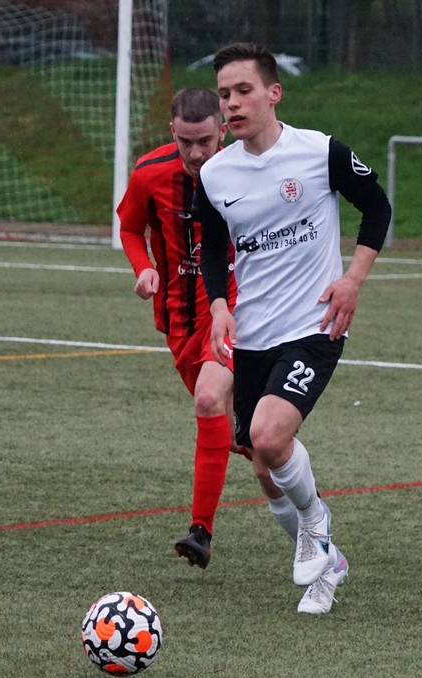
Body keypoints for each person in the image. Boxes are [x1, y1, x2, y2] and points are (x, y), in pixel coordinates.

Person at [196, 43, 392, 614]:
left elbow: (377, 207)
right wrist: (218, 305)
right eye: (224, 95)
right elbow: (213, 247)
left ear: (273, 93)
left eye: (243, 91)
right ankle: (329, 568)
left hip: (315, 323)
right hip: (253, 334)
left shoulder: (319, 152)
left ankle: (315, 523)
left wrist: (353, 279)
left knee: (268, 436)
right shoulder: (214, 173)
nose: (232, 104)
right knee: (263, 466)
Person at [117, 88, 327, 599]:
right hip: (179, 324)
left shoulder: (246, 170)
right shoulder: (149, 174)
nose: (196, 154)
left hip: (239, 315)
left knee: (209, 399)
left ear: (222, 131)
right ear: (172, 132)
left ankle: (201, 531)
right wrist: (143, 268)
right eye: (186, 143)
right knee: (257, 456)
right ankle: (324, 551)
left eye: (206, 142)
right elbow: (130, 227)